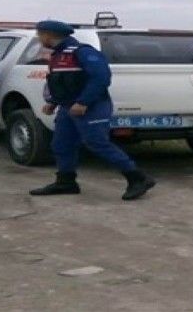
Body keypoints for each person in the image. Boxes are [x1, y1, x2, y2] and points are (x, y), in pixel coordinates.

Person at [29, 20, 155, 200]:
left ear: (49, 35)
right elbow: (61, 83)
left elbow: (101, 78)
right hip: (68, 107)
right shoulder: (58, 55)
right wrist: (53, 102)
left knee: (97, 142)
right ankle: (66, 182)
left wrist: (84, 102)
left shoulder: (83, 52)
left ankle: (138, 178)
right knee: (61, 144)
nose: (39, 38)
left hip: (92, 106)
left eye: (40, 34)